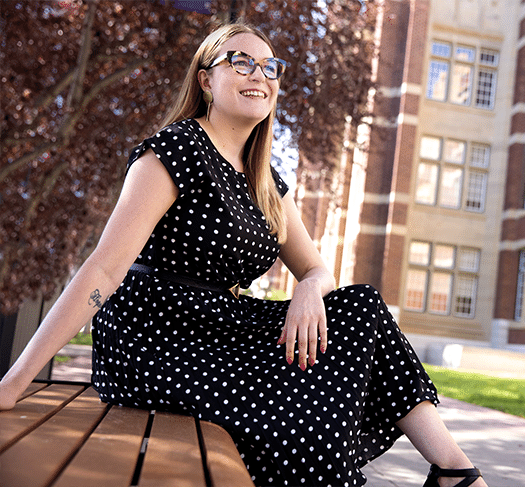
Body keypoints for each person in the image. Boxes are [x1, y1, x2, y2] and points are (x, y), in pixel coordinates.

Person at [0, 20, 488, 487]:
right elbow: (104, 268)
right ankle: (452, 476)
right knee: (308, 429)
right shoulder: (175, 149)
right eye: (241, 62)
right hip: (158, 340)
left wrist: (310, 289)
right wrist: (15, 381)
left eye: (270, 67)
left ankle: (451, 468)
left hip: (226, 330)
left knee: (359, 308)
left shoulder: (266, 181)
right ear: (206, 80)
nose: (259, 75)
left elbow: (316, 267)